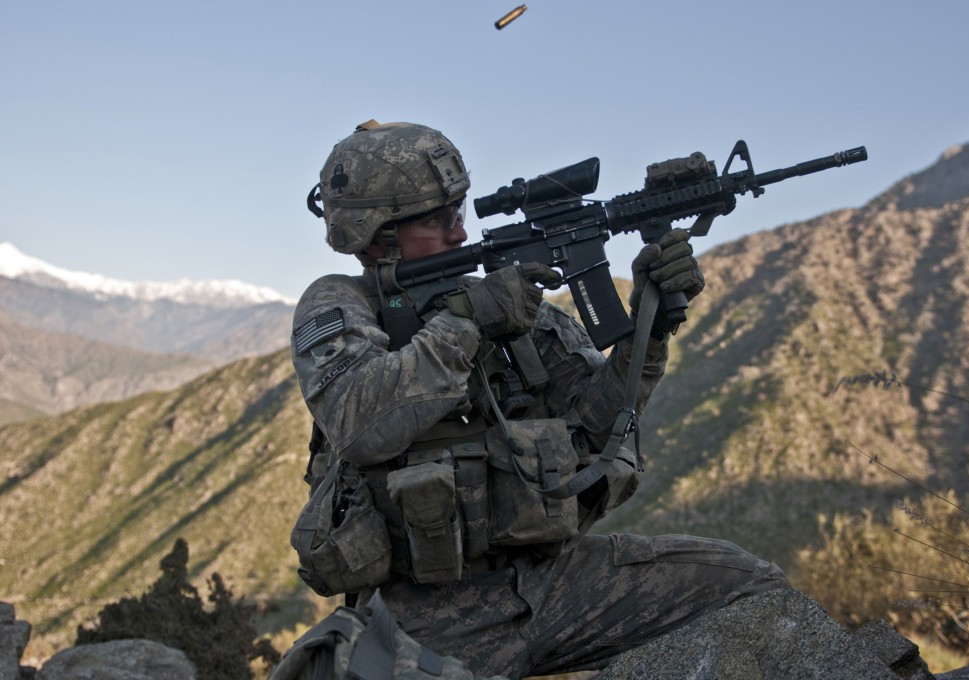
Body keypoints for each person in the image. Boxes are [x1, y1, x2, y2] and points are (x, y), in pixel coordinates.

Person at [290, 119, 789, 678]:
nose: (459, 233)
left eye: (459, 212)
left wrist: (651, 322)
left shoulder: (507, 306)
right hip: (422, 615)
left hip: (548, 581)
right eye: (439, 220)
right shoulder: (340, 304)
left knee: (751, 588)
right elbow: (358, 421)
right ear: (376, 236)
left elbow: (597, 427)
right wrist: (468, 322)